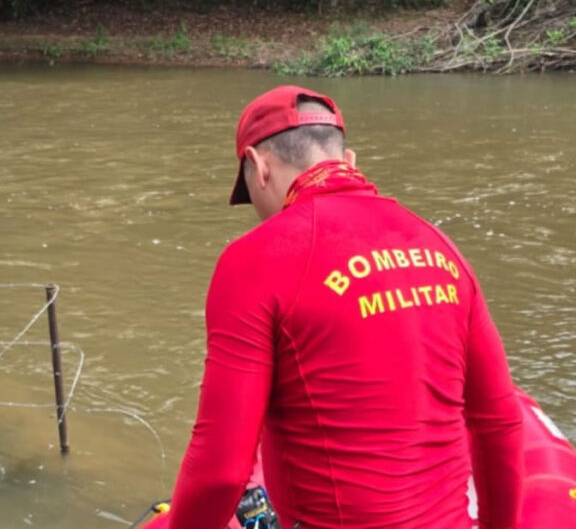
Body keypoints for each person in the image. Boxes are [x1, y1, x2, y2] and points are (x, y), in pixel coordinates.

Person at [166, 85, 523, 529]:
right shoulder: (440, 247)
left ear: (259, 169)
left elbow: (220, 470)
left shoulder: (253, 260)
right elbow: (500, 422)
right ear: (348, 162)